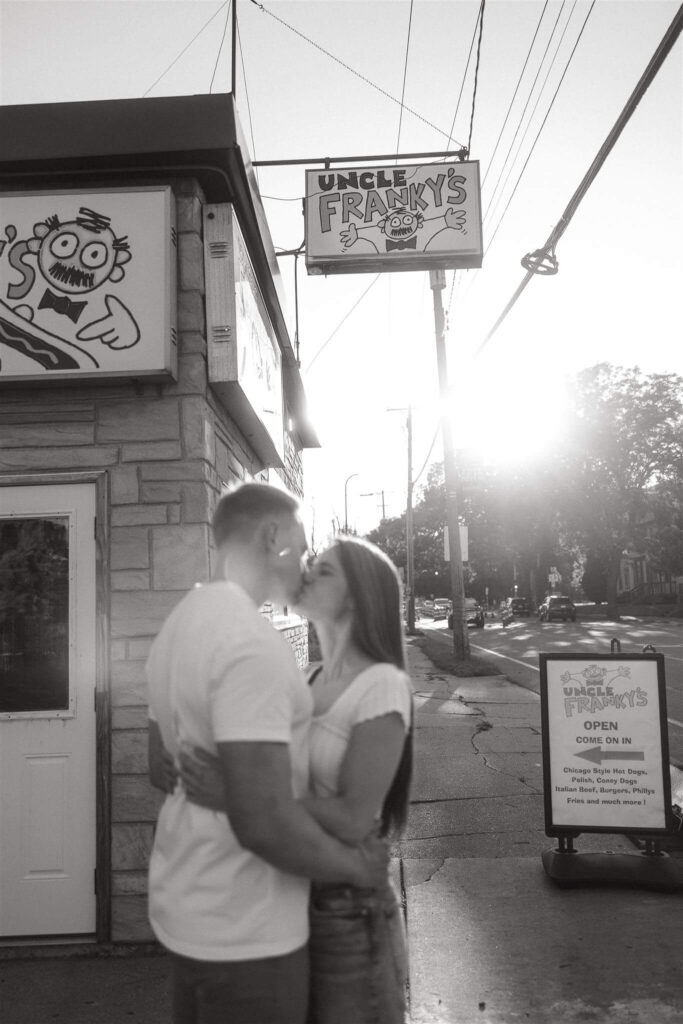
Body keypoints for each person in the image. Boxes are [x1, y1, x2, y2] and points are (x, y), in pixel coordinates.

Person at [146, 483, 389, 1024]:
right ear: (271, 536)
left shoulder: (180, 623)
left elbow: (159, 768)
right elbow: (264, 823)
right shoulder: (250, 644)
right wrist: (357, 867)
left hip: (188, 903)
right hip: (246, 926)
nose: (303, 567)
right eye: (301, 550)